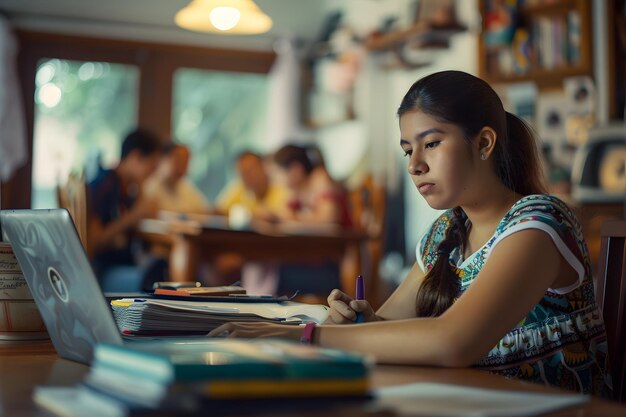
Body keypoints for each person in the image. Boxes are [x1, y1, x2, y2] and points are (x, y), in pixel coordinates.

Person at [209, 71, 611, 397]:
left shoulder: (539, 222)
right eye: (407, 150)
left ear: (484, 143)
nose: (415, 165)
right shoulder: (445, 233)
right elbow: (390, 323)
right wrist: (358, 322)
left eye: (431, 144)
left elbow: (452, 340)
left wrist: (305, 336)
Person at [88, 128, 166, 292]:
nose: (151, 175)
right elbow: (93, 241)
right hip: (102, 272)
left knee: (164, 266)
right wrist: (134, 216)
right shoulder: (104, 185)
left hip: (124, 266)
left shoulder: (128, 189)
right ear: (135, 157)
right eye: (151, 167)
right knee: (158, 277)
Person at [272, 144, 352, 228]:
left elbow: (329, 218)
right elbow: (285, 213)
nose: (277, 179)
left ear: (296, 170)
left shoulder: (319, 178)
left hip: (344, 238)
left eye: (279, 173)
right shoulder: (298, 188)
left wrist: (295, 218)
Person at [215, 151, 287, 221]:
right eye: (243, 173)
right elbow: (219, 211)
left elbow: (282, 216)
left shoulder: (282, 187)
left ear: (263, 166)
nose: (248, 177)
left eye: (251, 170)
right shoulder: (239, 188)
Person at [143, 143, 210, 214]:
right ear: (162, 159)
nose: (182, 168)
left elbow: (204, 210)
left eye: (186, 162)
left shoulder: (186, 188)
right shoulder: (148, 187)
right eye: (178, 161)